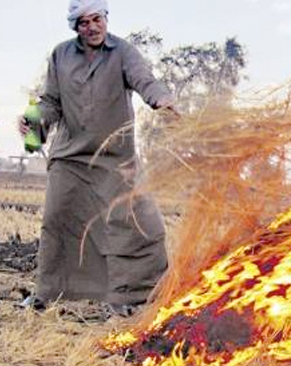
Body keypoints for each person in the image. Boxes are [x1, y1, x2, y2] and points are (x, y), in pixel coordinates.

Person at [18, 0, 178, 315]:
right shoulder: (60, 55)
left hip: (115, 158)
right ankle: (49, 294)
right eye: (83, 22)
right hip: (70, 156)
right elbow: (50, 101)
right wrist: (33, 121)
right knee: (57, 220)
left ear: (106, 18)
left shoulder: (123, 52)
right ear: (75, 27)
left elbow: (144, 79)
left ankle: (137, 295)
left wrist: (161, 99)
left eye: (97, 19)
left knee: (141, 224)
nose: (92, 27)